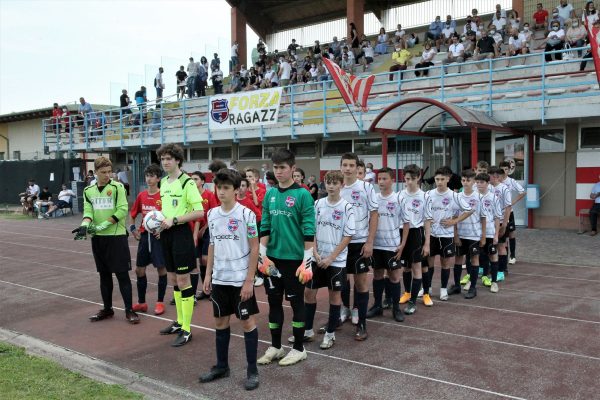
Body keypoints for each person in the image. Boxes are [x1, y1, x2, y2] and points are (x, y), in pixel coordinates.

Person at [199, 169, 260, 390]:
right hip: (219, 279)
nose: (221, 191)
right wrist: (208, 275)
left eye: (226, 188)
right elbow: (213, 244)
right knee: (220, 322)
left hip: (240, 280)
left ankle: (252, 371)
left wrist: (249, 281)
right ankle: (222, 366)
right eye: (219, 187)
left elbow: (255, 248)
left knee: (247, 322)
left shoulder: (246, 215)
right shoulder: (212, 214)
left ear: (236, 190)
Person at [256, 149, 315, 366]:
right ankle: (276, 346)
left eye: (282, 167)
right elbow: (265, 225)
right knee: (273, 302)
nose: (278, 172)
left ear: (292, 168)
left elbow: (309, 229)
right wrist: (262, 256)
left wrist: (307, 261)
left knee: (296, 303)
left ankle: (299, 349)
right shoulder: (270, 194)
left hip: (294, 261)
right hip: (272, 260)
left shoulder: (303, 195)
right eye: (275, 167)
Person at [72, 156, 139, 324]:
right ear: (95, 172)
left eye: (109, 171)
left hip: (116, 237)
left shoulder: (118, 188)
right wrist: (84, 226)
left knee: (122, 275)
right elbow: (88, 212)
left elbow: (123, 210)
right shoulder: (89, 190)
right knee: (104, 275)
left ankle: (129, 310)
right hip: (98, 239)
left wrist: (102, 225)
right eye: (103, 172)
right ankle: (107, 309)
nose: (107, 175)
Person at [300, 170, 355, 349]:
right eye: (328, 182)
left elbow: (348, 236)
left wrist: (331, 257)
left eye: (335, 183)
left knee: (334, 297)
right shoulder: (318, 204)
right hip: (317, 258)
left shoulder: (347, 207)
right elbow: (312, 229)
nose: (331, 186)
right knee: (308, 293)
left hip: (336, 262)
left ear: (342, 185)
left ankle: (330, 334)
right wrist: (315, 252)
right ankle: (307, 331)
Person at [156, 143, 204, 347]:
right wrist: (159, 225)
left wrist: (175, 220)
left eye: (169, 158)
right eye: (163, 159)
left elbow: (200, 212)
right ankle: (179, 321)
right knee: (173, 277)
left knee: (184, 279)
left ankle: (187, 329)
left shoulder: (187, 183)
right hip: (166, 234)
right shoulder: (164, 182)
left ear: (177, 160)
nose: (165, 162)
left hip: (181, 233)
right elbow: (164, 212)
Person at [338, 152, 378, 340]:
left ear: (357, 168)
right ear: (341, 167)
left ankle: (361, 322)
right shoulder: (335, 186)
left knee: (361, 282)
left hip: (360, 242)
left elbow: (374, 214)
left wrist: (370, 241)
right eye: (344, 165)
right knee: (341, 280)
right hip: (339, 243)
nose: (347, 168)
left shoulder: (366, 188)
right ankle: (344, 309)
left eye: (351, 165)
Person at [424, 166, 473, 303]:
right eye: (437, 179)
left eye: (442, 179)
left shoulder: (454, 195)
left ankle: (443, 289)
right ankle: (427, 288)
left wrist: (454, 221)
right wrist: (425, 221)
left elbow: (469, 210)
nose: (439, 182)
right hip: (432, 235)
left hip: (446, 235)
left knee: (445, 263)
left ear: (448, 179)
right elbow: (421, 211)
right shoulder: (428, 194)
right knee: (429, 263)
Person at [366, 167, 407, 322]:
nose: (381, 181)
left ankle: (396, 308)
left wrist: (402, 244)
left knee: (394, 276)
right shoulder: (374, 198)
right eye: (379, 179)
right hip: (376, 245)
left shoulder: (399, 199)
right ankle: (377, 305)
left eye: (384, 179)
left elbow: (407, 223)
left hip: (392, 245)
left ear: (392, 180)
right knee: (377, 275)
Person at [129, 164, 168, 316]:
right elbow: (132, 215)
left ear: (158, 179)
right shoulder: (141, 196)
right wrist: (133, 230)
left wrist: (163, 230)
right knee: (139, 270)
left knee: (161, 269)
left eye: (152, 176)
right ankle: (141, 302)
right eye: (147, 176)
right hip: (145, 237)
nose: (149, 179)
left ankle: (160, 302)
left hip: (159, 237)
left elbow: (169, 218)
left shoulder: (164, 196)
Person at [397, 164, 428, 315]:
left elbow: (428, 221)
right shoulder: (399, 195)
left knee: (416, 267)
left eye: (412, 179)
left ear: (418, 178)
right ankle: (407, 292)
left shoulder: (424, 196)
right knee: (405, 267)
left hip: (416, 233)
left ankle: (413, 302)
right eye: (407, 178)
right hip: (401, 232)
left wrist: (427, 243)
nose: (409, 182)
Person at [453, 170, 485, 299]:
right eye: (463, 180)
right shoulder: (457, 197)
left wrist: (483, 236)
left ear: (473, 182)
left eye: (468, 180)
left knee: (474, 259)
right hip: (461, 234)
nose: (466, 183)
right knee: (458, 259)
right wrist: (455, 235)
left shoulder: (479, 197)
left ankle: (472, 287)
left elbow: (483, 217)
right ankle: (456, 286)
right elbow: (454, 217)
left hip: (474, 235)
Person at [190, 171, 219, 301]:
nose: (193, 181)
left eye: (196, 179)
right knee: (198, 261)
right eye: (191, 179)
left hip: (207, 230)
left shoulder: (209, 195)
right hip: (194, 230)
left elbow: (213, 214)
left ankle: (212, 288)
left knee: (206, 259)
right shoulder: (189, 195)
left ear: (202, 181)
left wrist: (204, 228)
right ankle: (205, 290)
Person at [475, 173, 502, 293]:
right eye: (477, 182)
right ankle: (472, 281)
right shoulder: (473, 197)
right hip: (475, 232)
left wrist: (496, 234)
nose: (479, 184)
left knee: (492, 255)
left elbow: (497, 217)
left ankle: (494, 282)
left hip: (490, 232)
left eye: (482, 182)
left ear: (487, 183)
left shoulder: (493, 198)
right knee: (474, 257)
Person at [499, 161, 526, 265]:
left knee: (511, 233)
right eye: (502, 169)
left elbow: (523, 192)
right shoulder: (495, 181)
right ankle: (503, 257)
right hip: (497, 214)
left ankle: (513, 255)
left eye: (506, 169)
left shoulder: (511, 181)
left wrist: (511, 203)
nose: (504, 171)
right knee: (502, 235)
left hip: (508, 212)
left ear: (509, 170)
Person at [489, 166, 512, 284]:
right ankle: (491, 269)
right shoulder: (488, 188)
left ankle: (501, 271)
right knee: (492, 246)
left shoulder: (504, 189)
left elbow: (508, 207)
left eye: (489, 176)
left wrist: (504, 225)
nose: (488, 178)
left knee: (501, 246)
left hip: (502, 221)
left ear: (495, 176)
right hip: (490, 222)